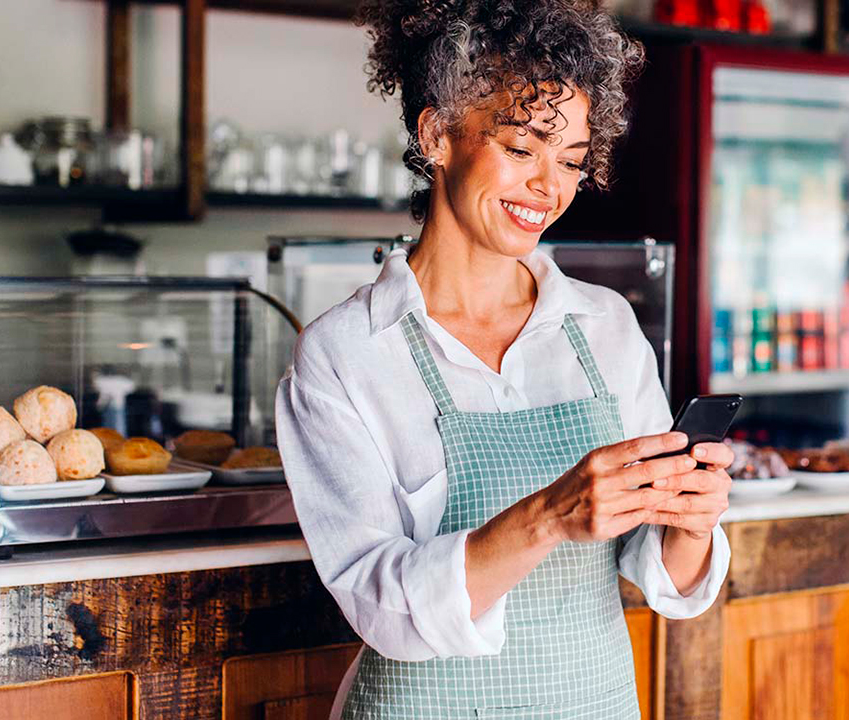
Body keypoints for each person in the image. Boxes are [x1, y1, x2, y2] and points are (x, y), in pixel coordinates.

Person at [274, 1, 733, 716]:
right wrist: (548, 516)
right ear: (437, 134)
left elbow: (662, 577)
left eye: (571, 161)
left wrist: (691, 525)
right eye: (522, 148)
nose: (549, 187)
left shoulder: (606, 327)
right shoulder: (346, 354)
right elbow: (381, 606)